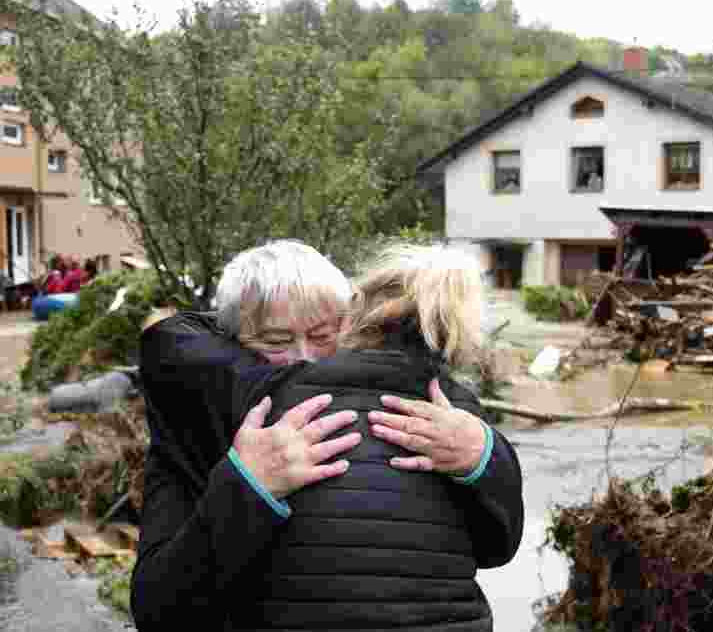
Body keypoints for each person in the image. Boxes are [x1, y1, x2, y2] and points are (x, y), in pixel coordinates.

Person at [131, 240, 523, 631]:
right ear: (226, 343)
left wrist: (484, 457)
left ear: (352, 324)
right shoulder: (201, 414)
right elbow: (159, 609)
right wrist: (246, 487)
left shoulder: (440, 411)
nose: (304, 358)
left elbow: (494, 546)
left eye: (322, 336)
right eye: (275, 342)